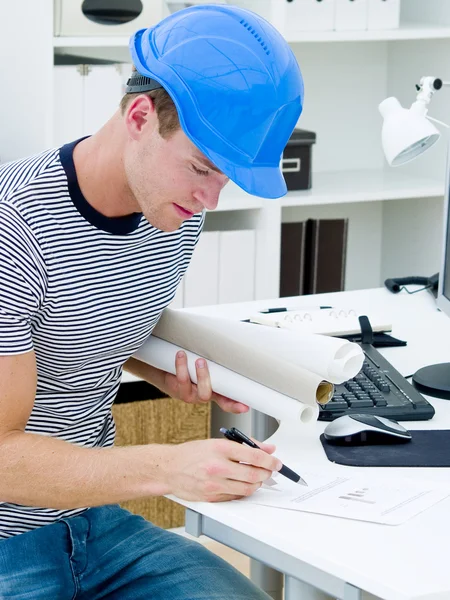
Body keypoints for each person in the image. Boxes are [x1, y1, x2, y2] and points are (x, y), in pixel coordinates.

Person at [0, 4, 303, 599]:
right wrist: (171, 466)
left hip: (96, 524)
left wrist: (164, 371)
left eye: (226, 179)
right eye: (202, 168)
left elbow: (76, 319)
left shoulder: (171, 209)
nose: (210, 199)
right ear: (140, 115)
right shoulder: (17, 226)